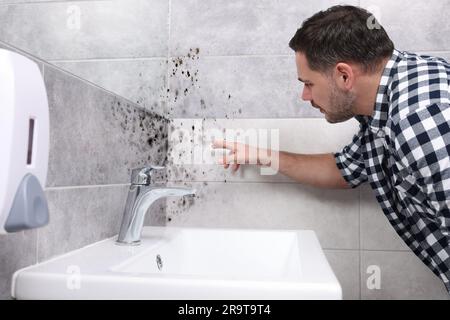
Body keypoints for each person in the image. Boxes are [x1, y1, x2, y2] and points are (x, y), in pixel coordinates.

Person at [212, 5, 450, 294]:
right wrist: (264, 156)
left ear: (344, 76)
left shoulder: (419, 120)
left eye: (309, 83)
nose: (305, 95)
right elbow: (345, 169)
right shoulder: (389, 100)